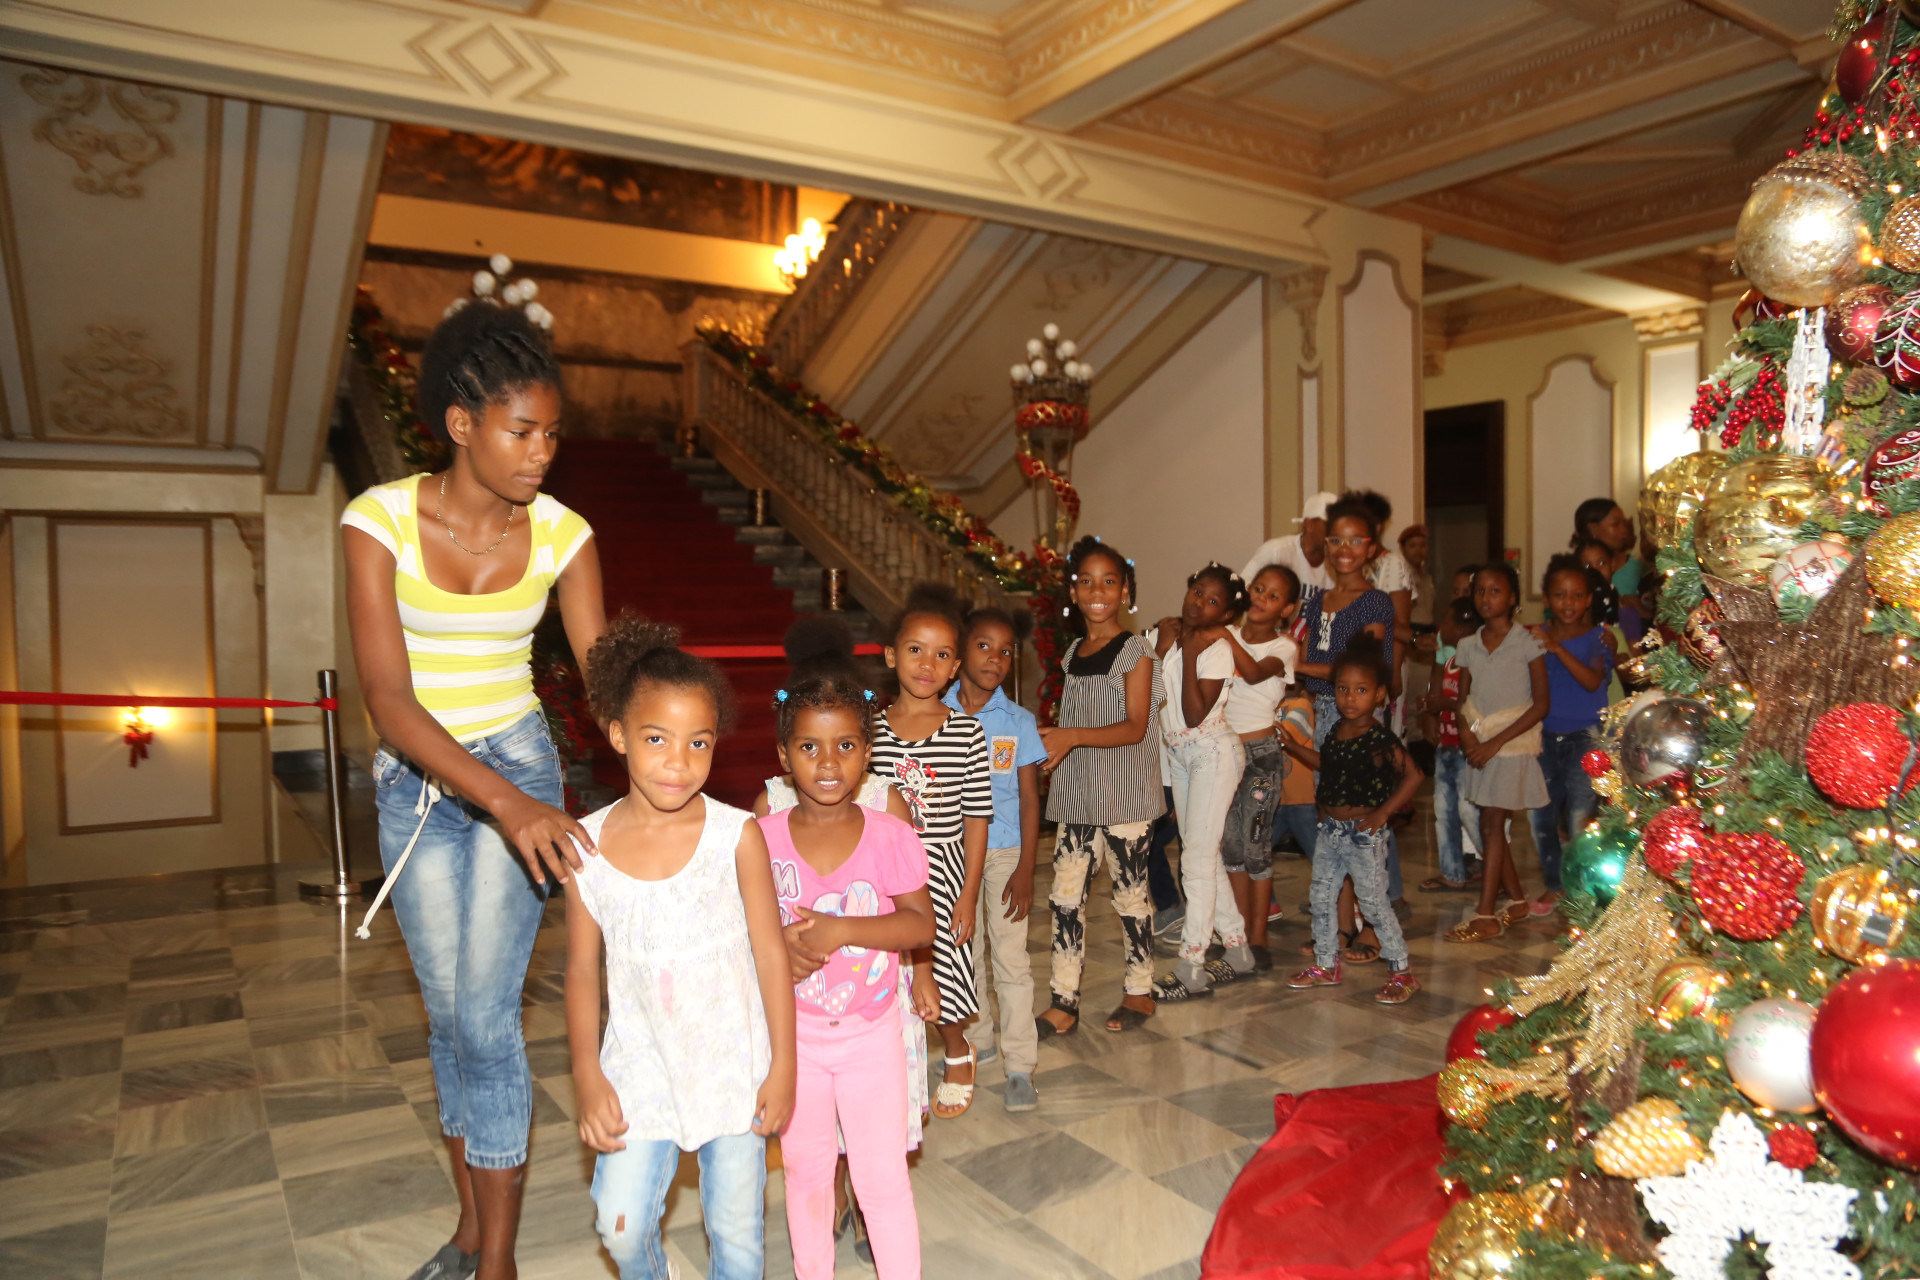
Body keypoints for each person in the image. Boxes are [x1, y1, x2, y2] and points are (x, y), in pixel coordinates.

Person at [341, 301, 605, 1280]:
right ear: (461, 423)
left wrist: (666, 740)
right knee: (450, 1018)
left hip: (520, 767)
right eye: (522, 431)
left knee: (487, 1021)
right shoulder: (377, 521)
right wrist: (502, 802)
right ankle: (469, 1228)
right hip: (417, 781)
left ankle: (496, 1262)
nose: (542, 453)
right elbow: (388, 699)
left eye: (552, 434)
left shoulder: (565, 534)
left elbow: (603, 676)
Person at [565, 619, 795, 1280]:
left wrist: (783, 1065)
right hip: (640, 1068)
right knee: (621, 1226)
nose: (678, 761)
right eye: (656, 739)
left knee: (737, 1236)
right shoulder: (585, 848)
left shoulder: (737, 836)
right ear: (618, 735)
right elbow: (580, 971)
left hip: (734, 1066)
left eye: (698, 742)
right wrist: (587, 1073)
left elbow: (771, 954)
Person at [752, 617, 924, 1266]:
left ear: (867, 752)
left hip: (871, 1037)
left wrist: (843, 929)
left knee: (882, 1181)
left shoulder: (889, 833)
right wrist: (780, 947)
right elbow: (746, 926)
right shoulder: (759, 838)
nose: (829, 764)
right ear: (783, 756)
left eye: (846, 746)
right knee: (805, 1178)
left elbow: (919, 924)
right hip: (793, 1037)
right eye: (810, 747)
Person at [868, 583, 991, 1120]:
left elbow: (977, 818)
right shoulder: (869, 732)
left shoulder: (966, 732)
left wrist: (968, 894)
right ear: (891, 655)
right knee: (888, 974)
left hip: (942, 869)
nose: (927, 664)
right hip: (881, 871)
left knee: (945, 970)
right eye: (916, 649)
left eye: (942, 655)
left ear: (955, 668)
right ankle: (904, 1070)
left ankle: (958, 1050)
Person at [1037, 536, 1165, 1036]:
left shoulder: (1136, 651)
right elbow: (1076, 719)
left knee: (1130, 896)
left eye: (1109, 581)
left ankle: (1140, 990)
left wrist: (1070, 735)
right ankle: (1064, 999)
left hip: (1124, 796)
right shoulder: (1073, 653)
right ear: (1073, 592)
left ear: (1125, 590)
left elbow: (1134, 726)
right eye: (1087, 582)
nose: (1097, 591)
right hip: (1078, 796)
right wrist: (1053, 739)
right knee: (1065, 897)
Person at [1282, 636, 1422, 1004]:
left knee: (1373, 903)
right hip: (1330, 831)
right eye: (1343, 689)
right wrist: (1293, 747)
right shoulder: (1336, 731)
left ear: (1379, 695)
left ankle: (1402, 972)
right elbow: (1327, 766)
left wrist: (1383, 812)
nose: (1349, 698)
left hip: (1363, 835)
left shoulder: (1379, 738)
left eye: (1361, 690)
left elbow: (1414, 776)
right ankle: (1326, 964)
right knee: (1321, 897)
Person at [945, 605, 1046, 1113]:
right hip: (955, 852)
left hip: (1005, 851)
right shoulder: (936, 714)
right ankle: (979, 1039)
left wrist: (1027, 867)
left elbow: (1029, 798)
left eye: (1006, 651)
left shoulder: (1018, 722)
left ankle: (1020, 1066)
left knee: (1011, 957)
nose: (995, 658)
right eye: (984, 645)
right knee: (965, 953)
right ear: (961, 650)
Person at [1291, 498, 1399, 962]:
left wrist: (1298, 665)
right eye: (1336, 540)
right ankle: (1340, 926)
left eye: (1356, 541)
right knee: (1333, 820)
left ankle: (1374, 927)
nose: (1344, 549)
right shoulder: (1316, 600)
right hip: (1324, 713)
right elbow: (1302, 654)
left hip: (1359, 720)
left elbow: (1363, 667)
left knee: (1365, 820)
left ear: (1371, 548)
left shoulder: (1375, 601)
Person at [1150, 563, 1256, 1001]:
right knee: (1203, 856)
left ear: (1226, 615)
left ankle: (1192, 965)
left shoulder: (1216, 649)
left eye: (1213, 601)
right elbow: (1151, 698)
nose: (1199, 604)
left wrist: (1191, 653)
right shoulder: (1167, 636)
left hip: (1213, 754)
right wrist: (1162, 649)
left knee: (1194, 860)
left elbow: (1194, 714)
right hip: (1180, 756)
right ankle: (1238, 950)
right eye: (1197, 592)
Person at [1445, 563, 1552, 941]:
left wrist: (1494, 744)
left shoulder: (1527, 642)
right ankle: (1518, 900)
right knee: (1488, 823)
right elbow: (1463, 700)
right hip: (1481, 744)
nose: (1486, 598)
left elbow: (1541, 704)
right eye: (1480, 591)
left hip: (1512, 743)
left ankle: (1486, 914)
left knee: (1492, 823)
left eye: (1495, 591)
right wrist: (1469, 738)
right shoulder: (1468, 645)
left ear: (1512, 599)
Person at [1218, 564, 1301, 971]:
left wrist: (1220, 635)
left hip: (1260, 757)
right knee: (1231, 846)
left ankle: (1259, 936)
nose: (1261, 599)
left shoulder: (1284, 648)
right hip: (1223, 752)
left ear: (1286, 609)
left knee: (1256, 843)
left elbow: (1252, 674)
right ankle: (1236, 936)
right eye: (1258, 589)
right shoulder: (1226, 634)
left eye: (1273, 596)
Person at [1525, 556, 1618, 916]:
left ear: (1588, 600)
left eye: (1577, 595)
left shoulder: (1599, 639)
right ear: (1547, 598)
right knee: (1541, 815)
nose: (1568, 603)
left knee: (1581, 816)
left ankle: (1580, 888)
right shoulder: (1534, 636)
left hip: (1586, 735)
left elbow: (1592, 682)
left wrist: (1557, 648)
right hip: (1544, 735)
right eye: (1560, 595)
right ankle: (1555, 885)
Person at [1417, 596, 1483, 894]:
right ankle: (1453, 872)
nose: (1441, 626)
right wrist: (1431, 710)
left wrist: (1445, 703)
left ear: (1462, 630)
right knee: (1444, 811)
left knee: (1469, 812)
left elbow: (1477, 701)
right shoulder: (1448, 657)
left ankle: (1495, 868)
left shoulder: (1478, 660)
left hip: (1469, 747)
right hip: (1446, 744)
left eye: (1447, 621)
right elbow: (1438, 683)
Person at [1573, 498, 1644, 642]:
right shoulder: (1571, 574)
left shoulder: (1641, 570)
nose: (1624, 530)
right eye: (1615, 524)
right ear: (1593, 529)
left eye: (1624, 523)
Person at [1241, 490, 1337, 590]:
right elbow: (1242, 588)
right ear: (1309, 525)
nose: (1336, 531)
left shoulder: (1339, 562)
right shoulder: (1276, 552)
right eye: (1330, 524)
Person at [1399, 525, 1435, 746]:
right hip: (1410, 640)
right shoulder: (1402, 576)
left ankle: (1420, 738)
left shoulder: (1426, 575)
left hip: (1427, 640)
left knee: (1423, 690)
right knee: (1410, 692)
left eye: (1422, 545)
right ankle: (1412, 741)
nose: (1418, 550)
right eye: (1412, 545)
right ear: (1403, 548)